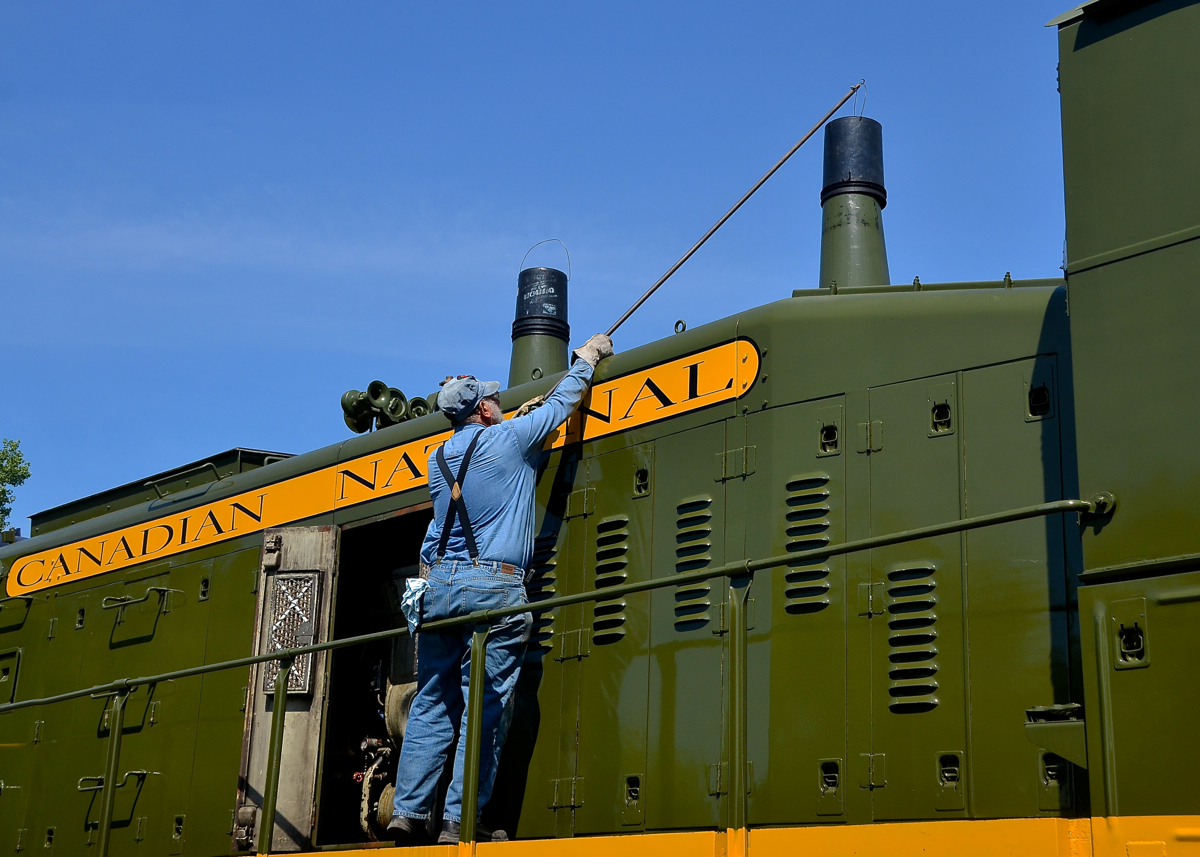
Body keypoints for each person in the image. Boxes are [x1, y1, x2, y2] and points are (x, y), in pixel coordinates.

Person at [387, 333, 615, 845]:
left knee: (430, 702)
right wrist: (586, 359)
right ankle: (456, 820)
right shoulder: (509, 439)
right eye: (494, 399)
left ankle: (407, 811)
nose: (499, 402)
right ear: (486, 411)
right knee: (484, 707)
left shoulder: (436, 460)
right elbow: (560, 405)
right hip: (493, 588)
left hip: (440, 590)